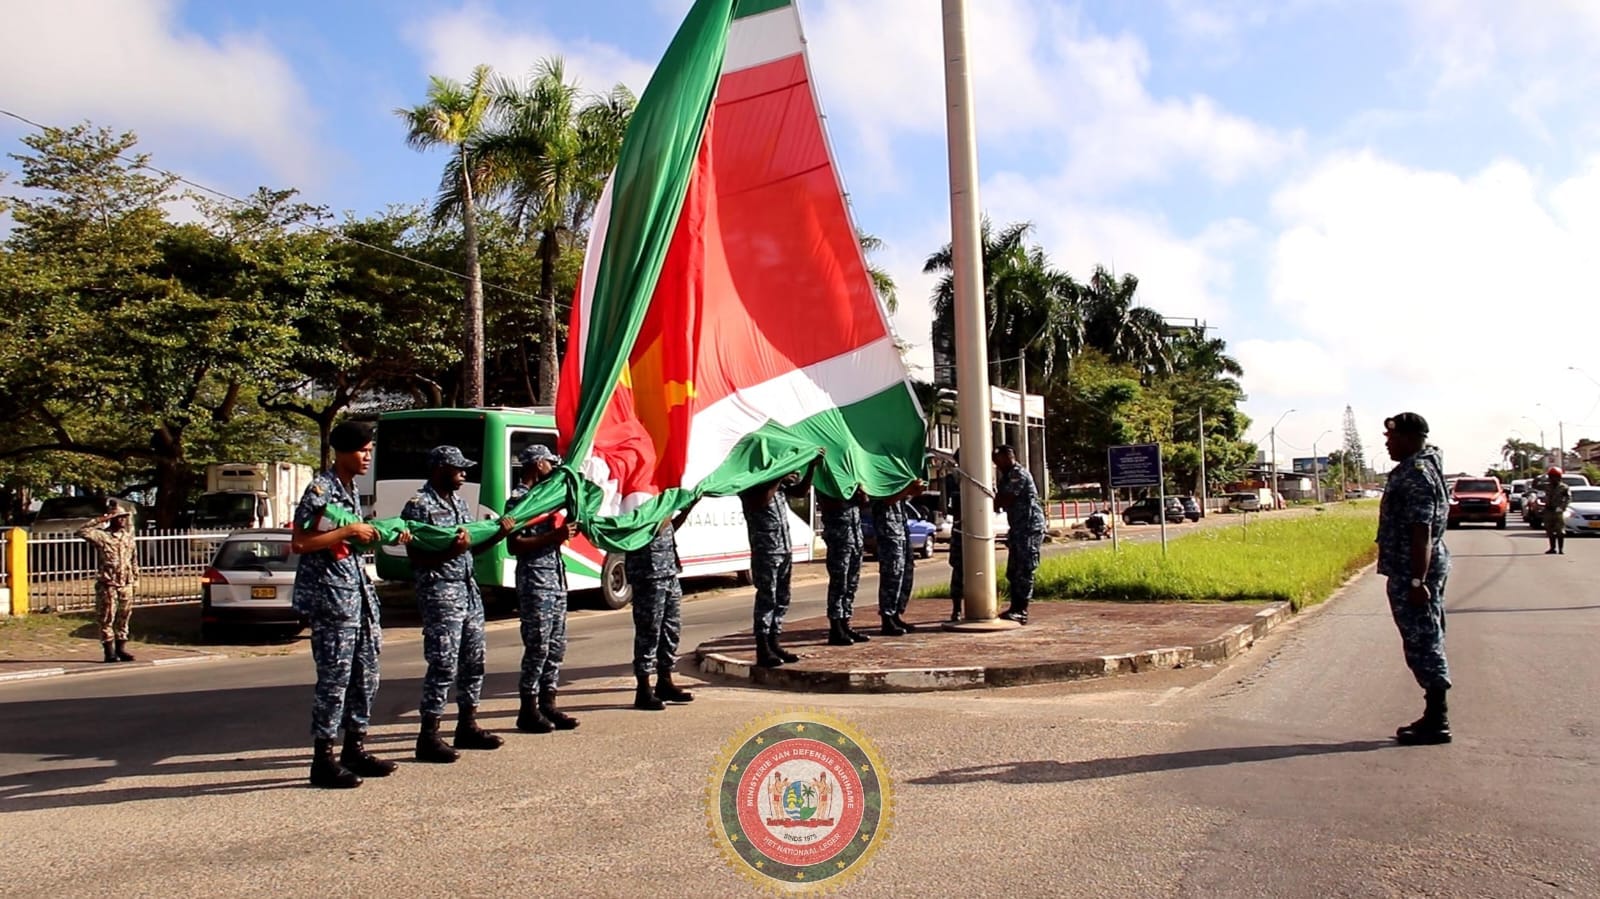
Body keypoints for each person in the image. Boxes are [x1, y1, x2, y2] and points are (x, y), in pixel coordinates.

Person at [291, 421, 408, 790]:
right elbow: (300, 542)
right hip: (331, 599)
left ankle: (355, 747)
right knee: (335, 681)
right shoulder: (321, 489)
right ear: (343, 451)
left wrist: (377, 533)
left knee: (366, 675)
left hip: (357, 595)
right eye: (362, 450)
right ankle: (323, 759)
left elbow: (349, 542)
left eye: (370, 450)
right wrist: (347, 531)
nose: (367, 457)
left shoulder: (352, 490)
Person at [402, 446, 516, 763]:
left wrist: (497, 536)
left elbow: (470, 549)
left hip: (468, 590)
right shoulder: (418, 506)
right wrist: (453, 551)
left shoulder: (459, 502)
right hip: (440, 593)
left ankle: (467, 725)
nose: (464, 474)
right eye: (458, 469)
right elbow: (416, 557)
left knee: (474, 661)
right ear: (439, 469)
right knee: (442, 664)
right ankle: (428, 736)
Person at [1377, 412, 1453, 745]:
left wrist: (1416, 581)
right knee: (1426, 636)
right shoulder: (1424, 466)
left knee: (1424, 640)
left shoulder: (1417, 474)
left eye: (1392, 437)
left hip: (1414, 570)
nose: (1387, 442)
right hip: (1416, 567)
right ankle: (1434, 715)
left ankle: (1437, 720)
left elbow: (1421, 529)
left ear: (1410, 438)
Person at [506, 445, 579, 733]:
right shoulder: (519, 501)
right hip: (535, 581)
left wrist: (562, 534)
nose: (554, 468)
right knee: (537, 646)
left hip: (555, 579)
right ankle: (528, 709)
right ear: (538, 464)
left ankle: (549, 704)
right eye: (550, 463)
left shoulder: (546, 498)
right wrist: (555, 536)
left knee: (556, 646)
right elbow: (514, 544)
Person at [741, 461, 816, 668]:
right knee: (767, 597)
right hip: (766, 549)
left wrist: (812, 467)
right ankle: (762, 647)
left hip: (784, 547)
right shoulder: (752, 483)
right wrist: (778, 477)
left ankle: (774, 641)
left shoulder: (778, 485)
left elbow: (800, 492)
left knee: (782, 597)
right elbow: (761, 501)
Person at [625, 501, 699, 709]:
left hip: (669, 571)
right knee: (649, 632)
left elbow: (670, 527)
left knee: (671, 630)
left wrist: (687, 506)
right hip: (648, 573)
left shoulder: (661, 500)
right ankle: (643, 688)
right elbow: (652, 527)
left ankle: (665, 681)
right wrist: (671, 505)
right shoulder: (637, 500)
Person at [76, 501, 139, 664]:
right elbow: (81, 531)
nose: (122, 521)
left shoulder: (128, 536)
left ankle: (121, 648)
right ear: (112, 519)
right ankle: (109, 652)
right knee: (106, 617)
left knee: (124, 616)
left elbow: (133, 559)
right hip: (108, 583)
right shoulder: (102, 535)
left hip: (126, 583)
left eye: (124, 518)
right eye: (118, 518)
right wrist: (100, 519)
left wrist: (136, 579)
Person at [994, 445, 1046, 625]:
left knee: (1024, 569)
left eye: (998, 459)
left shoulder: (1018, 474)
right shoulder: (1007, 476)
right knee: (1013, 570)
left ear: (1008, 457)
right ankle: (1015, 608)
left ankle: (1022, 610)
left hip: (1029, 527)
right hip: (1017, 528)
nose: (996, 464)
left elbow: (1005, 498)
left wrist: (991, 501)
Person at [871, 480, 924, 636]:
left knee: (905, 572)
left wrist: (913, 490)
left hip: (900, 527)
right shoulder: (878, 478)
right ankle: (887, 617)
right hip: (888, 530)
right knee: (892, 573)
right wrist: (907, 488)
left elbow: (900, 497)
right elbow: (887, 499)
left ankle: (895, 614)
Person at [818, 487, 870, 646]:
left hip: (855, 537)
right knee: (839, 584)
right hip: (839, 538)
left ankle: (845, 624)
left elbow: (864, 503)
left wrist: (862, 494)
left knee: (851, 584)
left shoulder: (851, 481)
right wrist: (848, 494)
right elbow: (828, 504)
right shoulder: (828, 481)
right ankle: (836, 628)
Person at [1542, 467, 1571, 555]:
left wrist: (1562, 507)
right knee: (1549, 530)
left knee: (1560, 531)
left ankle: (1561, 549)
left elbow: (1568, 498)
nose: (1552, 479)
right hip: (1548, 510)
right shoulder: (1547, 486)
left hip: (1558, 511)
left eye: (1554, 476)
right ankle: (1552, 548)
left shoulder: (1564, 487)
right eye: (1551, 476)